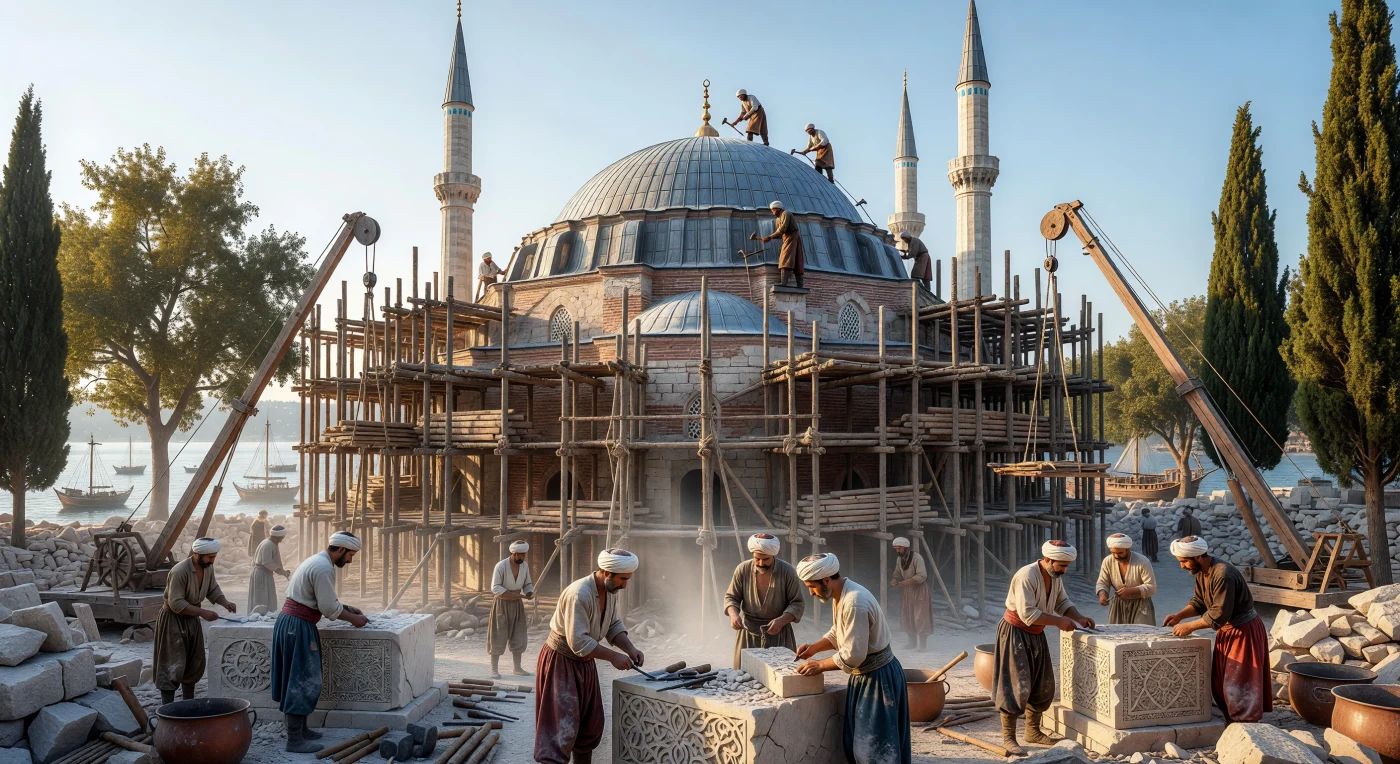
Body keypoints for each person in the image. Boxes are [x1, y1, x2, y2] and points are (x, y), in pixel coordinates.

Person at [794, 553, 910, 764]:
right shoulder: (841, 594)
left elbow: (853, 655)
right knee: (859, 742)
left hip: (878, 678)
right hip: (866, 676)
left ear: (826, 580)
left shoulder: (855, 602)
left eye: (811, 586)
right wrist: (814, 648)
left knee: (874, 751)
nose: (810, 592)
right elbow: (839, 632)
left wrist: (820, 665)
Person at [535, 549, 645, 764]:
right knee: (560, 730)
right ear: (607, 573)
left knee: (588, 727)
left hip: (585, 662)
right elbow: (578, 642)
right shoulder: (579, 594)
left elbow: (612, 625)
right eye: (623, 579)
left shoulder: (610, 591)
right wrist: (613, 657)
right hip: (561, 662)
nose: (625, 586)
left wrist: (630, 649)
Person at [271, 531, 369, 753]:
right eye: (350, 555)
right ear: (341, 549)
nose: (350, 560)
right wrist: (352, 619)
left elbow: (320, 599)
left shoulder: (317, 560)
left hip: (292, 623)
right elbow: (327, 608)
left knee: (297, 677)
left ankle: (302, 730)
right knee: (301, 679)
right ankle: (294, 740)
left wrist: (346, 608)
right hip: (297, 626)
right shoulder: (324, 568)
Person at [995, 540, 1096, 755]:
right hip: (1016, 632)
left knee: (1043, 683)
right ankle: (1008, 738)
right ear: (1048, 560)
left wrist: (1079, 618)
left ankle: (1032, 731)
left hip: (1036, 633)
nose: (1064, 570)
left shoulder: (1054, 577)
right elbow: (1027, 614)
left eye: (1066, 566)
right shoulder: (1026, 576)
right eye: (1062, 565)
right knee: (1015, 684)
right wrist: (1058, 622)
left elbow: (1062, 602)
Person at [1163, 536, 1270, 723]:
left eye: (1184, 561)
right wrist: (1179, 616)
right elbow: (1200, 602)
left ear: (1198, 556)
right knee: (1221, 680)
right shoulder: (1202, 572)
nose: (1182, 566)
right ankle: (1231, 718)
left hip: (1243, 631)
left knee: (1240, 681)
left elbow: (1219, 614)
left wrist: (1189, 626)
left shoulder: (1223, 574)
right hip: (1228, 631)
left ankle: (1245, 725)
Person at [154, 537, 236, 705]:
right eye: (210, 557)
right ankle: (167, 708)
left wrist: (225, 602)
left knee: (194, 662)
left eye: (214, 557)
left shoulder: (207, 568)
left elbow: (213, 588)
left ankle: (188, 705)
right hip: (173, 620)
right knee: (171, 663)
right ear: (197, 554)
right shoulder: (179, 571)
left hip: (192, 620)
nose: (212, 561)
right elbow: (176, 603)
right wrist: (202, 612)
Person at [723, 533, 805, 668]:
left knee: (781, 673)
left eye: (766, 559)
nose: (761, 563)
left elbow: (797, 604)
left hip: (779, 633)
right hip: (748, 633)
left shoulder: (787, 571)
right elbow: (731, 597)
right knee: (744, 674)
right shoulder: (742, 569)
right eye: (757, 559)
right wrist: (734, 615)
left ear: (773, 555)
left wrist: (781, 621)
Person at [488, 540, 535, 679]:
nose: (521, 557)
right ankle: (494, 670)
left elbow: (527, 583)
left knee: (519, 634)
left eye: (523, 555)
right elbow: (495, 587)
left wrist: (529, 592)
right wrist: (512, 594)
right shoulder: (501, 566)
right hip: (501, 604)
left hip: (517, 605)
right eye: (519, 555)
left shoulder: (524, 566)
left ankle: (517, 668)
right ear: (513, 553)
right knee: (498, 635)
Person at [1095, 533, 1157, 625]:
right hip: (1118, 606)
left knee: (1142, 632)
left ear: (1128, 549)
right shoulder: (1107, 561)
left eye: (1120, 553)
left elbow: (1151, 587)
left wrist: (1131, 591)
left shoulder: (1142, 561)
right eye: (1113, 553)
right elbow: (1102, 582)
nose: (1116, 556)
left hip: (1141, 604)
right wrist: (1102, 595)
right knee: (1117, 632)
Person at [889, 537, 932, 651]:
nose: (897, 551)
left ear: (905, 547)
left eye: (899, 548)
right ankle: (912, 643)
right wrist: (894, 579)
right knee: (907, 616)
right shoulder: (900, 559)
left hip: (919, 590)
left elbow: (922, 575)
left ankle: (922, 646)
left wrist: (905, 582)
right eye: (896, 548)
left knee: (920, 616)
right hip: (908, 591)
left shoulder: (917, 558)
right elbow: (897, 572)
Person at [760, 200, 805, 289]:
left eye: (773, 210)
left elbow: (783, 229)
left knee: (786, 258)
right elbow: (780, 234)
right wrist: (769, 238)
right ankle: (792, 283)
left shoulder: (786, 214)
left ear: (778, 209)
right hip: (787, 238)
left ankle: (785, 282)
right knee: (793, 259)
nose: (772, 212)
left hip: (792, 237)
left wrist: (770, 237)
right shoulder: (778, 219)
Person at [248, 525, 291, 614]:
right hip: (262, 575)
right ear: (276, 537)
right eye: (280, 538)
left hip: (265, 574)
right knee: (261, 599)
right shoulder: (268, 544)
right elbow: (267, 562)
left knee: (267, 598)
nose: (281, 540)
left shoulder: (270, 543)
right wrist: (282, 572)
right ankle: (260, 617)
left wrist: (283, 571)